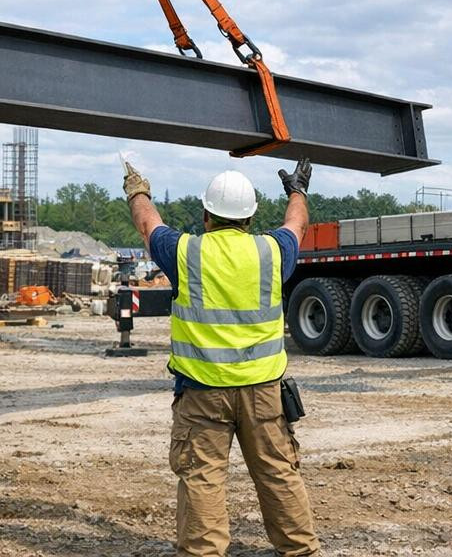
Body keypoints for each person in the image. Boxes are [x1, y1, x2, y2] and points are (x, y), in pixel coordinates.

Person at [123, 157, 320, 557]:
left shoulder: (185, 252)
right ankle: (301, 551)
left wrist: (137, 186)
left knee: (203, 479)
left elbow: (147, 223)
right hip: (264, 393)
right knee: (278, 474)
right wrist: (298, 189)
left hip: (202, 393)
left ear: (206, 214)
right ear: (250, 216)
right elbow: (297, 224)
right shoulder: (271, 252)